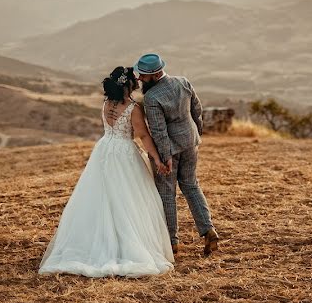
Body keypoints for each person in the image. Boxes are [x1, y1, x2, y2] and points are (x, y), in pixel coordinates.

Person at [39, 66, 174, 277]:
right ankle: (125, 246)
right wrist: (157, 159)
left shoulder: (105, 104)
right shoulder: (133, 108)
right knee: (128, 200)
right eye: (134, 81)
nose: (137, 83)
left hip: (104, 149)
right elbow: (144, 136)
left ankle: (95, 241)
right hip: (124, 154)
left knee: (100, 198)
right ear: (129, 85)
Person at [135, 53, 219, 256]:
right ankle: (208, 230)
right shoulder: (183, 82)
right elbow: (196, 110)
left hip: (170, 150)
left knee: (167, 194)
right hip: (190, 143)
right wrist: (197, 133)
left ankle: (172, 242)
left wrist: (165, 158)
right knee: (191, 185)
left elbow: (158, 131)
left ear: (155, 75)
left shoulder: (152, 98)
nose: (139, 79)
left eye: (143, 76)